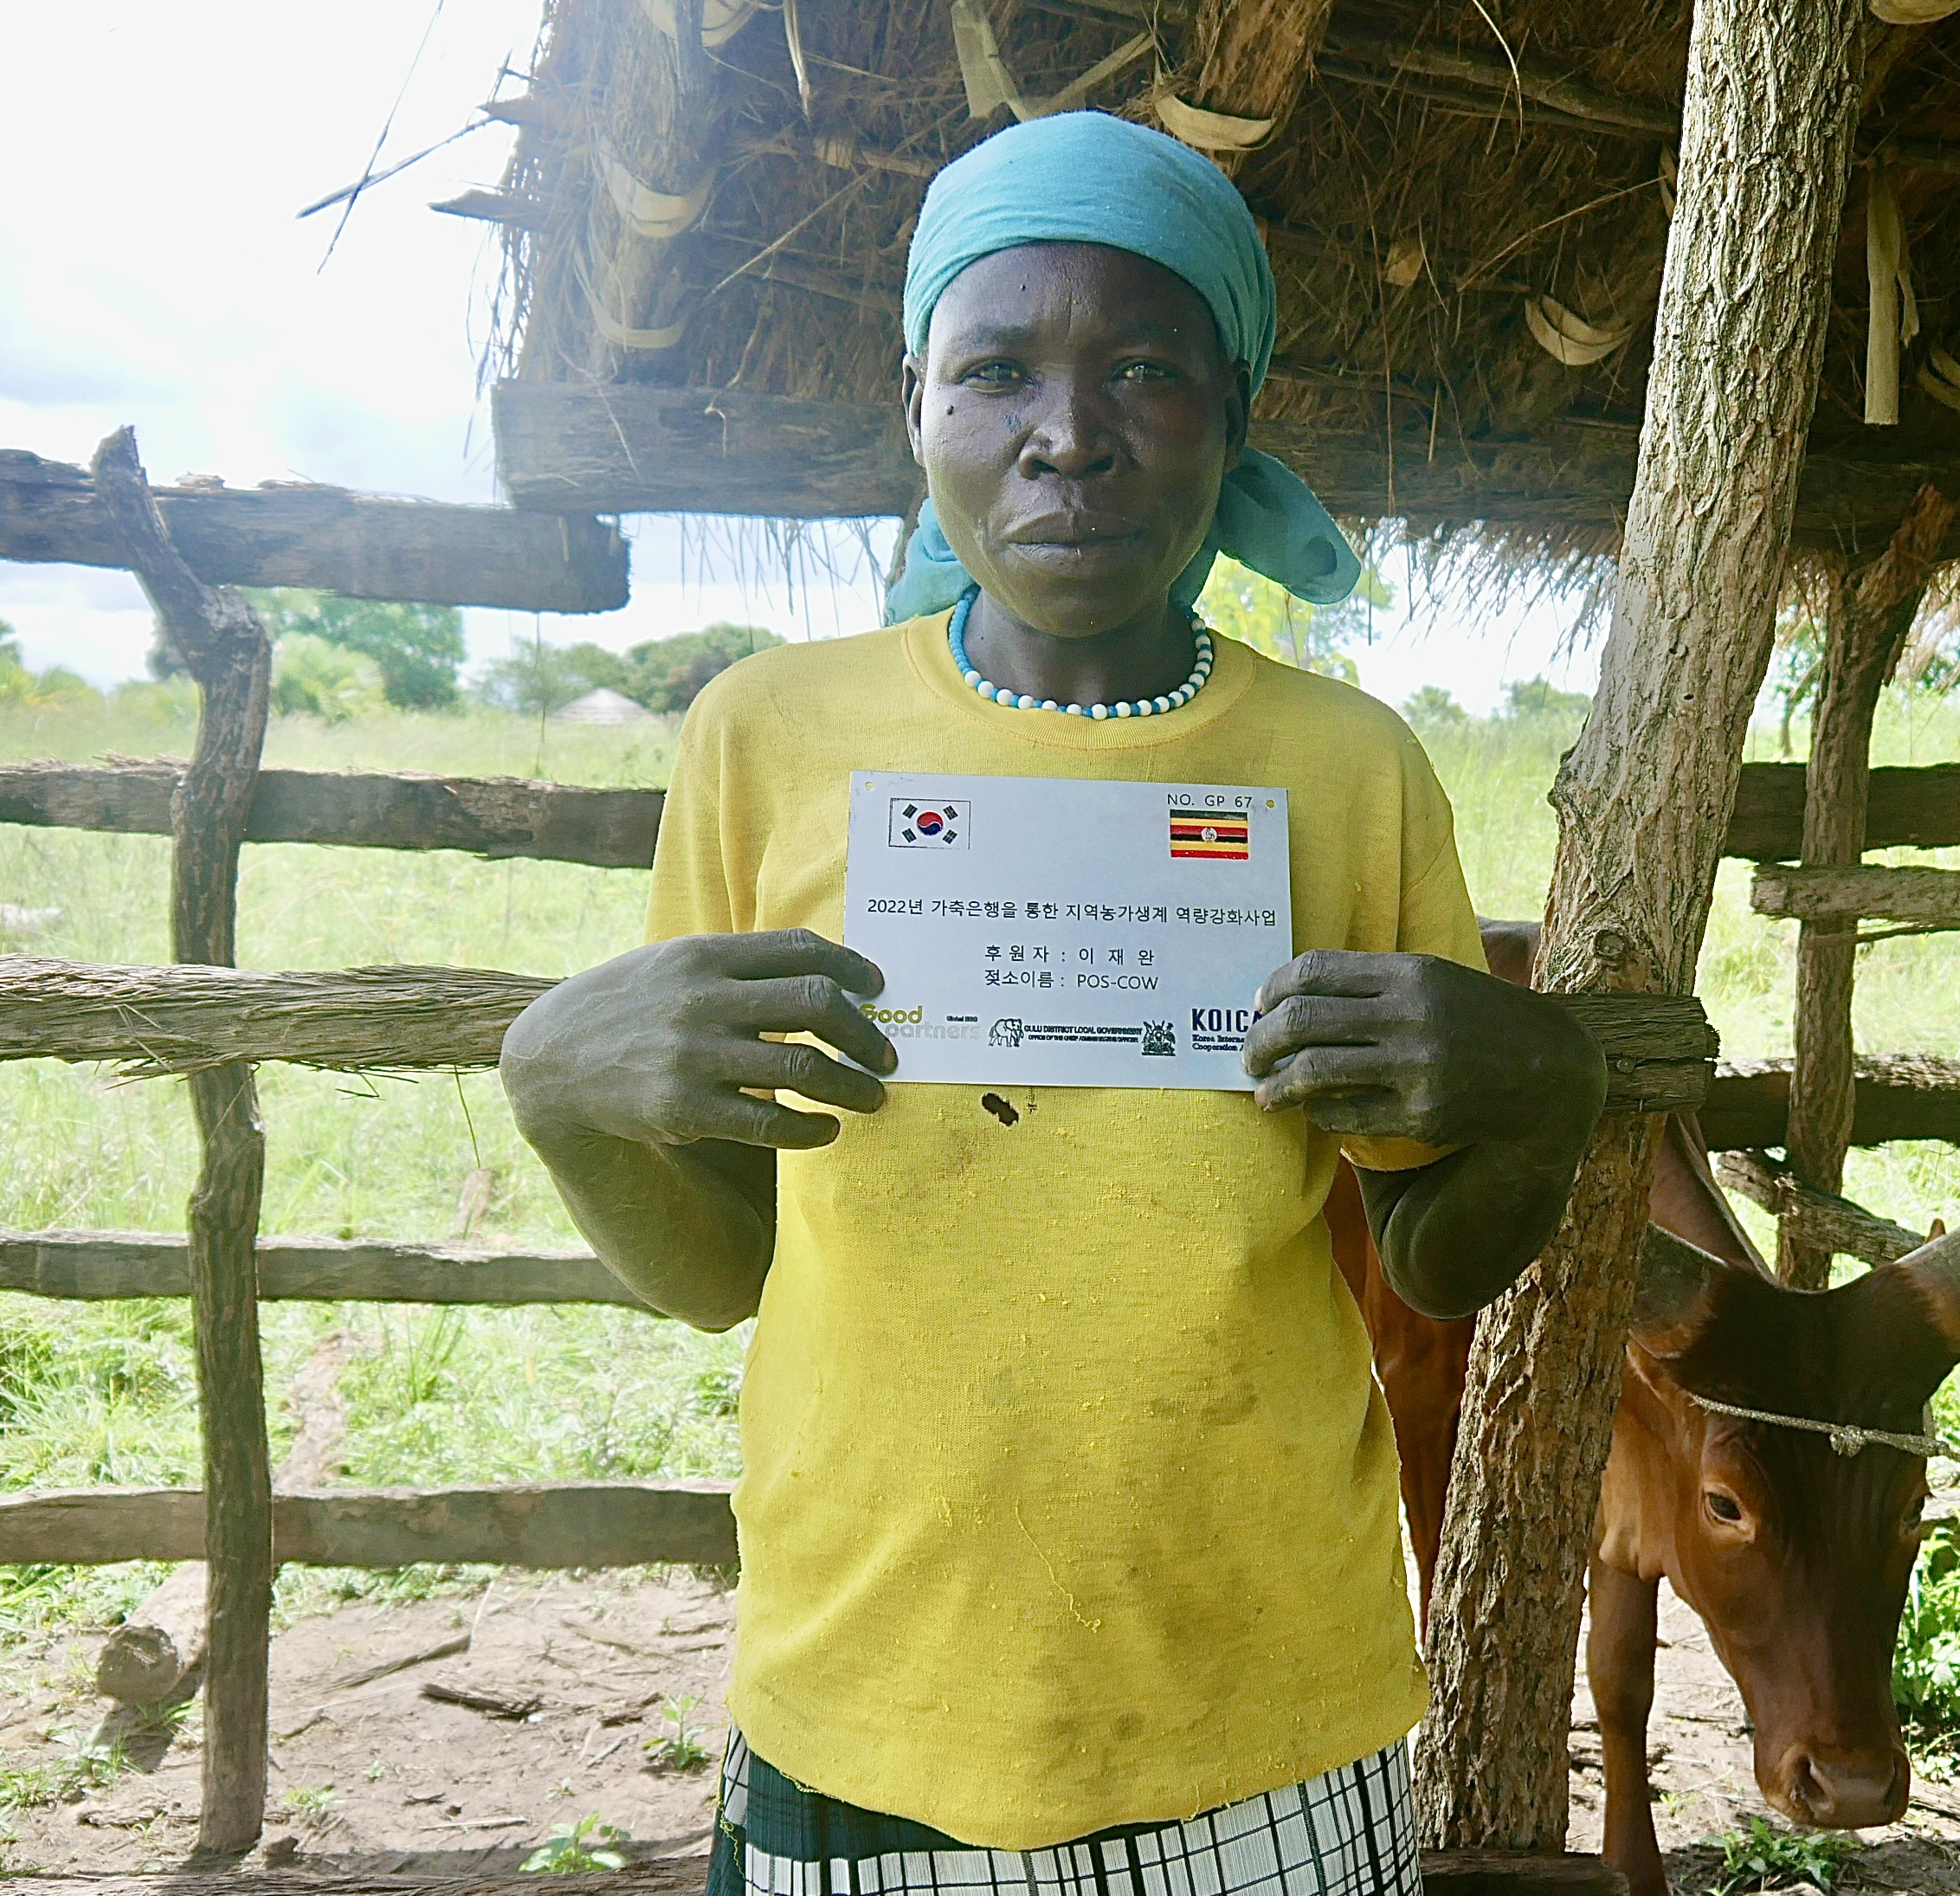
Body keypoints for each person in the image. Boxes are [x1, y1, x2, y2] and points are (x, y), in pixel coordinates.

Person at [500, 109, 1605, 1896]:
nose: (1069, 435)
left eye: (1146, 372)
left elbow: (1428, 1258)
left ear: (1232, 415)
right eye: (996, 370)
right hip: (871, 1680)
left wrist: (1545, 1102)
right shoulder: (767, 737)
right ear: (916, 406)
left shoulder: (1347, 765)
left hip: (1265, 1687)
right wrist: (556, 1092)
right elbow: (718, 1267)